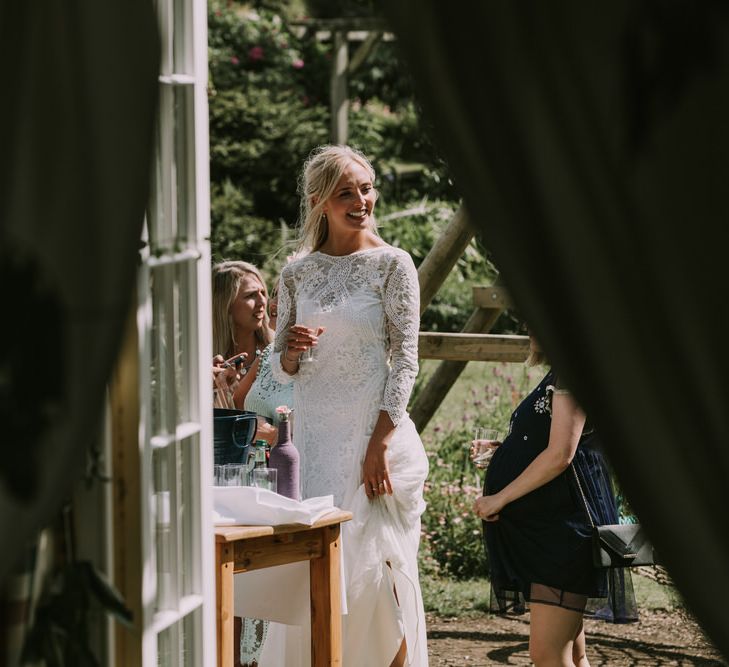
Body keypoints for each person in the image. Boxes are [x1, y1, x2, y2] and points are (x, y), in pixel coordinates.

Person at [270, 145, 429, 667]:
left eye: (366, 188)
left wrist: (378, 444)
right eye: (345, 192)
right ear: (319, 202)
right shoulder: (297, 273)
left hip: (370, 441)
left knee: (382, 586)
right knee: (317, 580)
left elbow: (406, 361)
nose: (361, 200)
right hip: (314, 445)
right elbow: (280, 369)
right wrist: (290, 351)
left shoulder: (392, 264)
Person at [473, 336, 637, 666]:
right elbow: (553, 443)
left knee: (547, 654)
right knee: (574, 655)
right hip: (552, 527)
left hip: (564, 531)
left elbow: (562, 454)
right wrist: (504, 451)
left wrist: (498, 499)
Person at [212, 260, 277, 445]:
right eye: (250, 296)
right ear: (225, 305)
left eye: (263, 293)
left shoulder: (277, 352)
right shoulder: (205, 362)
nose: (262, 302)